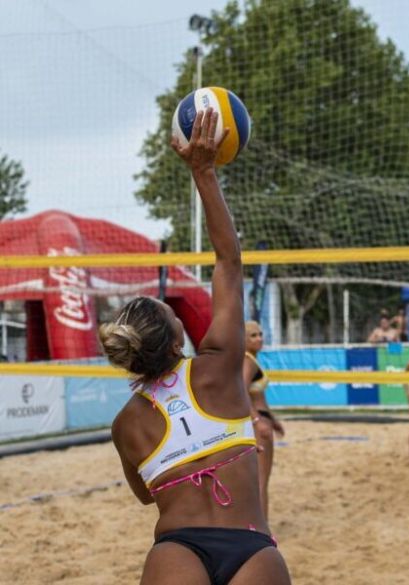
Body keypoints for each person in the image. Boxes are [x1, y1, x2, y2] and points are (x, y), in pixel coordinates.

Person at [100, 109, 290, 584]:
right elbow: (228, 260)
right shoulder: (219, 368)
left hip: (177, 548)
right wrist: (203, 172)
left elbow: (146, 495)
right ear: (178, 334)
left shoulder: (125, 424)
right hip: (251, 545)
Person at [243, 320, 285, 524]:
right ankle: (262, 531)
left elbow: (255, 395)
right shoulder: (247, 361)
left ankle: (257, 526)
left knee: (258, 480)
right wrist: (258, 420)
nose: (259, 338)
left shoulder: (251, 359)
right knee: (260, 481)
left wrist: (273, 420)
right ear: (242, 340)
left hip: (260, 419)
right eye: (253, 335)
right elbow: (241, 392)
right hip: (257, 424)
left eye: (260, 334)